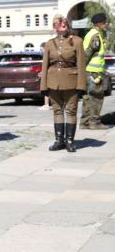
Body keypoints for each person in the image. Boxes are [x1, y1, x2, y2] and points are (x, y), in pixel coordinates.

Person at [40, 15, 86, 152]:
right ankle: (59, 140)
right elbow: (45, 65)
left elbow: (81, 64)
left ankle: (70, 141)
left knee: (71, 111)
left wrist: (81, 85)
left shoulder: (77, 41)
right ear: (55, 27)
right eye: (59, 23)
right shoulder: (49, 43)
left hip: (71, 80)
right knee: (57, 110)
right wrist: (43, 86)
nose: (63, 24)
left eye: (65, 22)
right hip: (53, 81)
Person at [80, 12, 109, 130]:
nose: (106, 24)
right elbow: (88, 53)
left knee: (87, 97)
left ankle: (85, 122)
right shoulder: (95, 35)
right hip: (94, 72)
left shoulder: (90, 34)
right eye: (104, 22)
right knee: (97, 97)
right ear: (98, 23)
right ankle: (95, 122)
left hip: (89, 71)